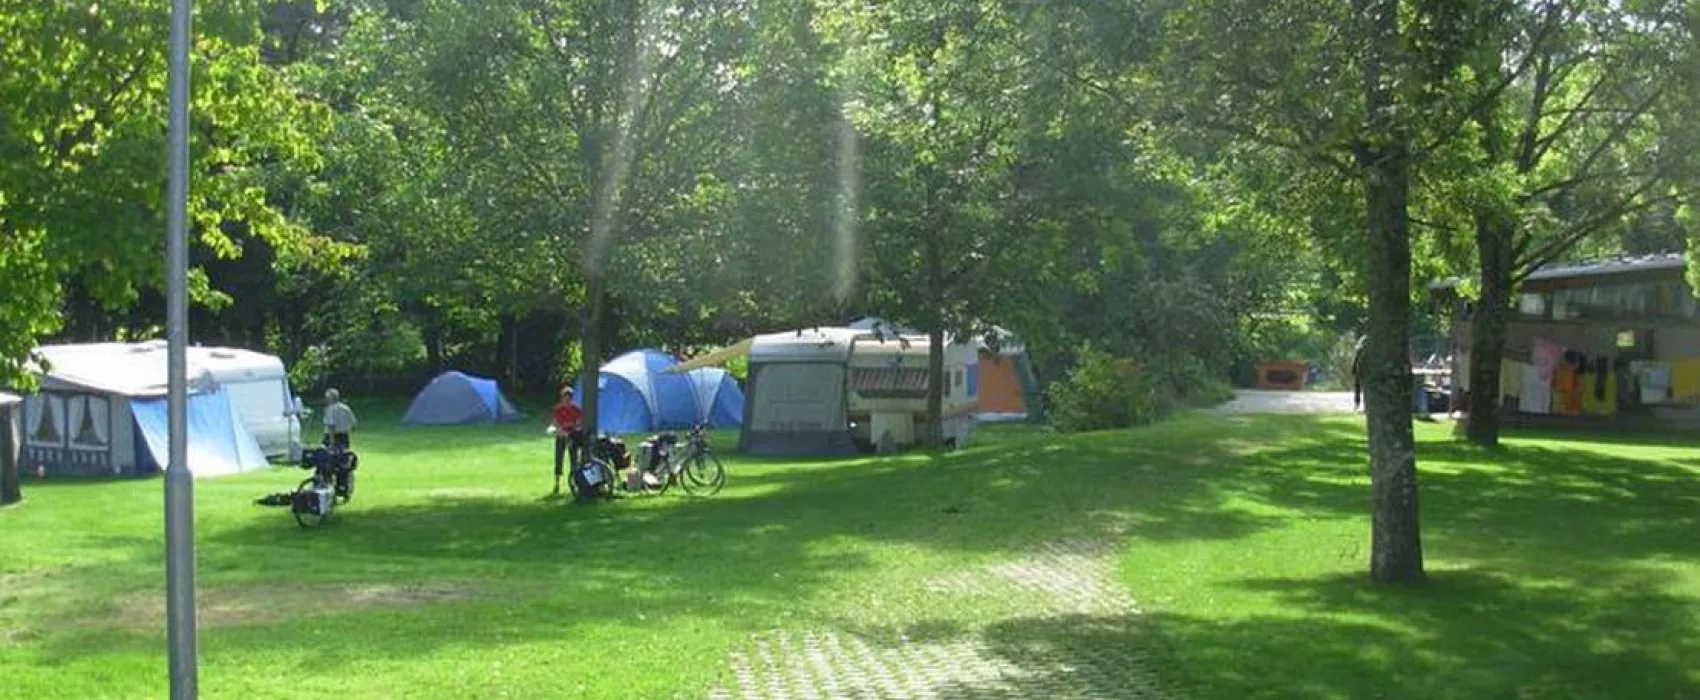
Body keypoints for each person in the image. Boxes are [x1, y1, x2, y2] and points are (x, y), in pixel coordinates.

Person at [551, 386, 586, 496]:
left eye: (568, 398)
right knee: (558, 458)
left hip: (573, 436)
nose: (566, 400)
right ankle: (557, 482)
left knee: (574, 459)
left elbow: (579, 423)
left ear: (571, 399)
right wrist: (562, 432)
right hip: (561, 436)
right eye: (564, 398)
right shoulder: (558, 409)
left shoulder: (576, 409)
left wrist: (571, 431)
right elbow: (556, 424)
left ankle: (574, 481)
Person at [1351, 335, 1368, 412]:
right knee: (1359, 389)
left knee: (1363, 389)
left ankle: (1361, 404)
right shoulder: (1360, 350)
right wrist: (1354, 370)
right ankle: (1357, 403)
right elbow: (1356, 361)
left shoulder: (1362, 350)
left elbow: (1356, 361)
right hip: (1360, 371)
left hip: (1363, 372)